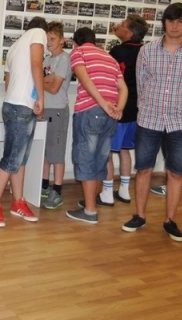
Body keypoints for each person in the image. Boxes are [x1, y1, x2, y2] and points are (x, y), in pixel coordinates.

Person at [122, 3, 182, 241]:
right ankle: (140, 216)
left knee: (176, 173)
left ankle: (170, 220)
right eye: (170, 21)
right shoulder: (147, 51)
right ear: (164, 23)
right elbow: (141, 84)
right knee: (144, 169)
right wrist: (149, 105)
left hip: (180, 123)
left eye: (180, 21)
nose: (174, 26)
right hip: (149, 120)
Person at [0, 17, 46, 227]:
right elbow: (36, 64)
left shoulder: (14, 47)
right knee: (11, 160)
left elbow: (8, 81)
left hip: (14, 105)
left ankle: (18, 202)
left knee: (19, 161)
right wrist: (41, 98)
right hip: (21, 107)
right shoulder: (38, 33)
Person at [66, 27, 127, 224]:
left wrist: (102, 104)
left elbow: (84, 79)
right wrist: (118, 109)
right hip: (110, 116)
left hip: (90, 112)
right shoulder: (109, 57)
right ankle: (90, 202)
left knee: (85, 158)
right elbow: (123, 88)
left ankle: (90, 211)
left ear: (76, 42)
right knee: (100, 159)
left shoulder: (79, 52)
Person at [100, 15, 148, 205]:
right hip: (137, 110)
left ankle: (107, 192)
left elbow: (110, 78)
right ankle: (125, 191)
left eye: (121, 25)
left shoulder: (118, 51)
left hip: (117, 108)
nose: (117, 27)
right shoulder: (146, 51)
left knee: (107, 151)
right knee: (125, 149)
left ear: (128, 32)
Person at [150, 23, 182, 197]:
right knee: (171, 154)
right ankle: (174, 183)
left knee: (175, 156)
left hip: (178, 118)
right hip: (164, 116)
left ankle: (176, 184)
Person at [40, 21, 72, 210]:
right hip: (45, 109)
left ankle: (57, 190)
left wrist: (43, 80)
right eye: (47, 39)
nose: (49, 42)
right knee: (45, 151)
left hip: (58, 110)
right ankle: (44, 185)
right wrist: (46, 80)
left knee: (56, 153)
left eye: (52, 39)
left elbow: (54, 88)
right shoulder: (46, 60)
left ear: (61, 40)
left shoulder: (64, 59)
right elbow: (43, 82)